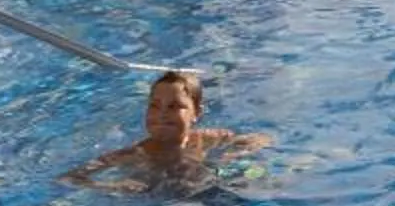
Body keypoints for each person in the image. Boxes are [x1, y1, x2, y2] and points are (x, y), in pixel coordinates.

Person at [66, 71, 266, 188]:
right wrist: (113, 187)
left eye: (174, 106)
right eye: (155, 106)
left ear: (196, 112)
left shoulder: (207, 138)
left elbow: (261, 139)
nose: (162, 114)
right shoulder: (135, 153)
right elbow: (70, 178)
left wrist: (230, 156)